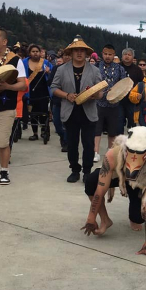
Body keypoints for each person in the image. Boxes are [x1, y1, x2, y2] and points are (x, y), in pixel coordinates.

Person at [81, 127, 146, 258]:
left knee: (138, 218)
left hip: (141, 182)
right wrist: (91, 217)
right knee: (91, 182)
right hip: (120, 175)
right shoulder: (115, 153)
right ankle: (105, 220)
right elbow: (100, 189)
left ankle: (134, 214)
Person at [51, 36, 103, 183]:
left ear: (86, 53)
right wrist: (66, 95)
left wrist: (93, 95)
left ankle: (87, 171)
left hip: (88, 112)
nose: (79, 53)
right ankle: (74, 169)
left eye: (82, 51)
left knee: (88, 143)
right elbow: (54, 88)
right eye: (76, 51)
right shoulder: (61, 70)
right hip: (70, 112)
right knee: (72, 143)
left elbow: (100, 92)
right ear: (71, 53)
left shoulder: (94, 70)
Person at [0, 27, 27, 184]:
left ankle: (4, 171)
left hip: (6, 107)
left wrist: (6, 87)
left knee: (3, 141)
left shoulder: (15, 60)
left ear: (4, 41)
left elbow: (22, 85)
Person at [93, 44, 127, 163]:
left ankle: (109, 152)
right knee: (97, 129)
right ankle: (95, 152)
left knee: (112, 130)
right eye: (105, 54)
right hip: (98, 103)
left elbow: (124, 84)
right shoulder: (96, 67)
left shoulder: (120, 69)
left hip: (114, 104)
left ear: (114, 55)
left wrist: (116, 93)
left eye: (110, 54)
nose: (107, 56)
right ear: (102, 54)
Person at [22, 44, 52, 141]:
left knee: (43, 113)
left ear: (40, 52)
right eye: (33, 51)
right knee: (33, 113)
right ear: (29, 53)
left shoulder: (46, 63)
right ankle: (35, 133)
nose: (35, 53)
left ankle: (44, 130)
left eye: (37, 51)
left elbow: (54, 76)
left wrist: (49, 72)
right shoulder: (24, 63)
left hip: (43, 92)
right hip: (30, 92)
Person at [48, 51, 71, 152]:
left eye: (69, 55)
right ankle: (62, 136)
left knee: (67, 123)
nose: (67, 57)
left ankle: (66, 142)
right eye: (65, 55)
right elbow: (50, 82)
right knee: (57, 123)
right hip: (57, 100)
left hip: (70, 101)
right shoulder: (56, 68)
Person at [119, 48, 143, 134]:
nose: (127, 56)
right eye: (125, 54)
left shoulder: (137, 69)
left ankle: (132, 142)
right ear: (122, 56)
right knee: (119, 122)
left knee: (132, 122)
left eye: (129, 55)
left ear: (133, 57)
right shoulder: (117, 67)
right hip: (119, 99)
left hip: (132, 100)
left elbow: (141, 83)